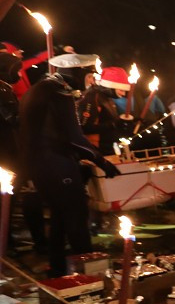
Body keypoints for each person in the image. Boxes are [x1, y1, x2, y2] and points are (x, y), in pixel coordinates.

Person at [17, 54, 119, 276]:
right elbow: (74, 137)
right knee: (76, 215)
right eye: (89, 74)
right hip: (58, 164)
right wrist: (101, 161)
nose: (91, 80)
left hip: (40, 165)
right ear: (77, 72)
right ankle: (88, 274)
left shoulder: (39, 89)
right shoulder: (59, 93)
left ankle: (58, 268)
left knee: (59, 216)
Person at [77, 66, 128, 151]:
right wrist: (112, 125)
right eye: (121, 90)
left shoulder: (106, 97)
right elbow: (84, 127)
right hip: (94, 149)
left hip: (107, 147)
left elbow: (106, 119)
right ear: (111, 85)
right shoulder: (92, 96)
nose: (123, 94)